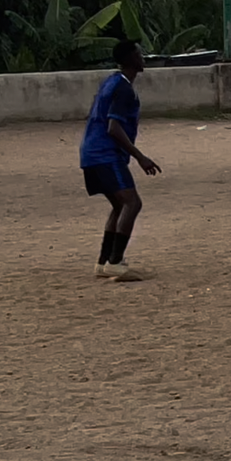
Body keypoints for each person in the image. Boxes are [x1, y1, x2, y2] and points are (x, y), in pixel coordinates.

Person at [80, 38, 161, 280]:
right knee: (132, 203)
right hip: (106, 155)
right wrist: (141, 157)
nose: (142, 58)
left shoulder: (112, 82)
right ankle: (115, 262)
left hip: (91, 153)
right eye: (139, 54)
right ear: (130, 60)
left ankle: (104, 262)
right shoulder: (123, 89)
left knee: (119, 205)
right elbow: (113, 128)